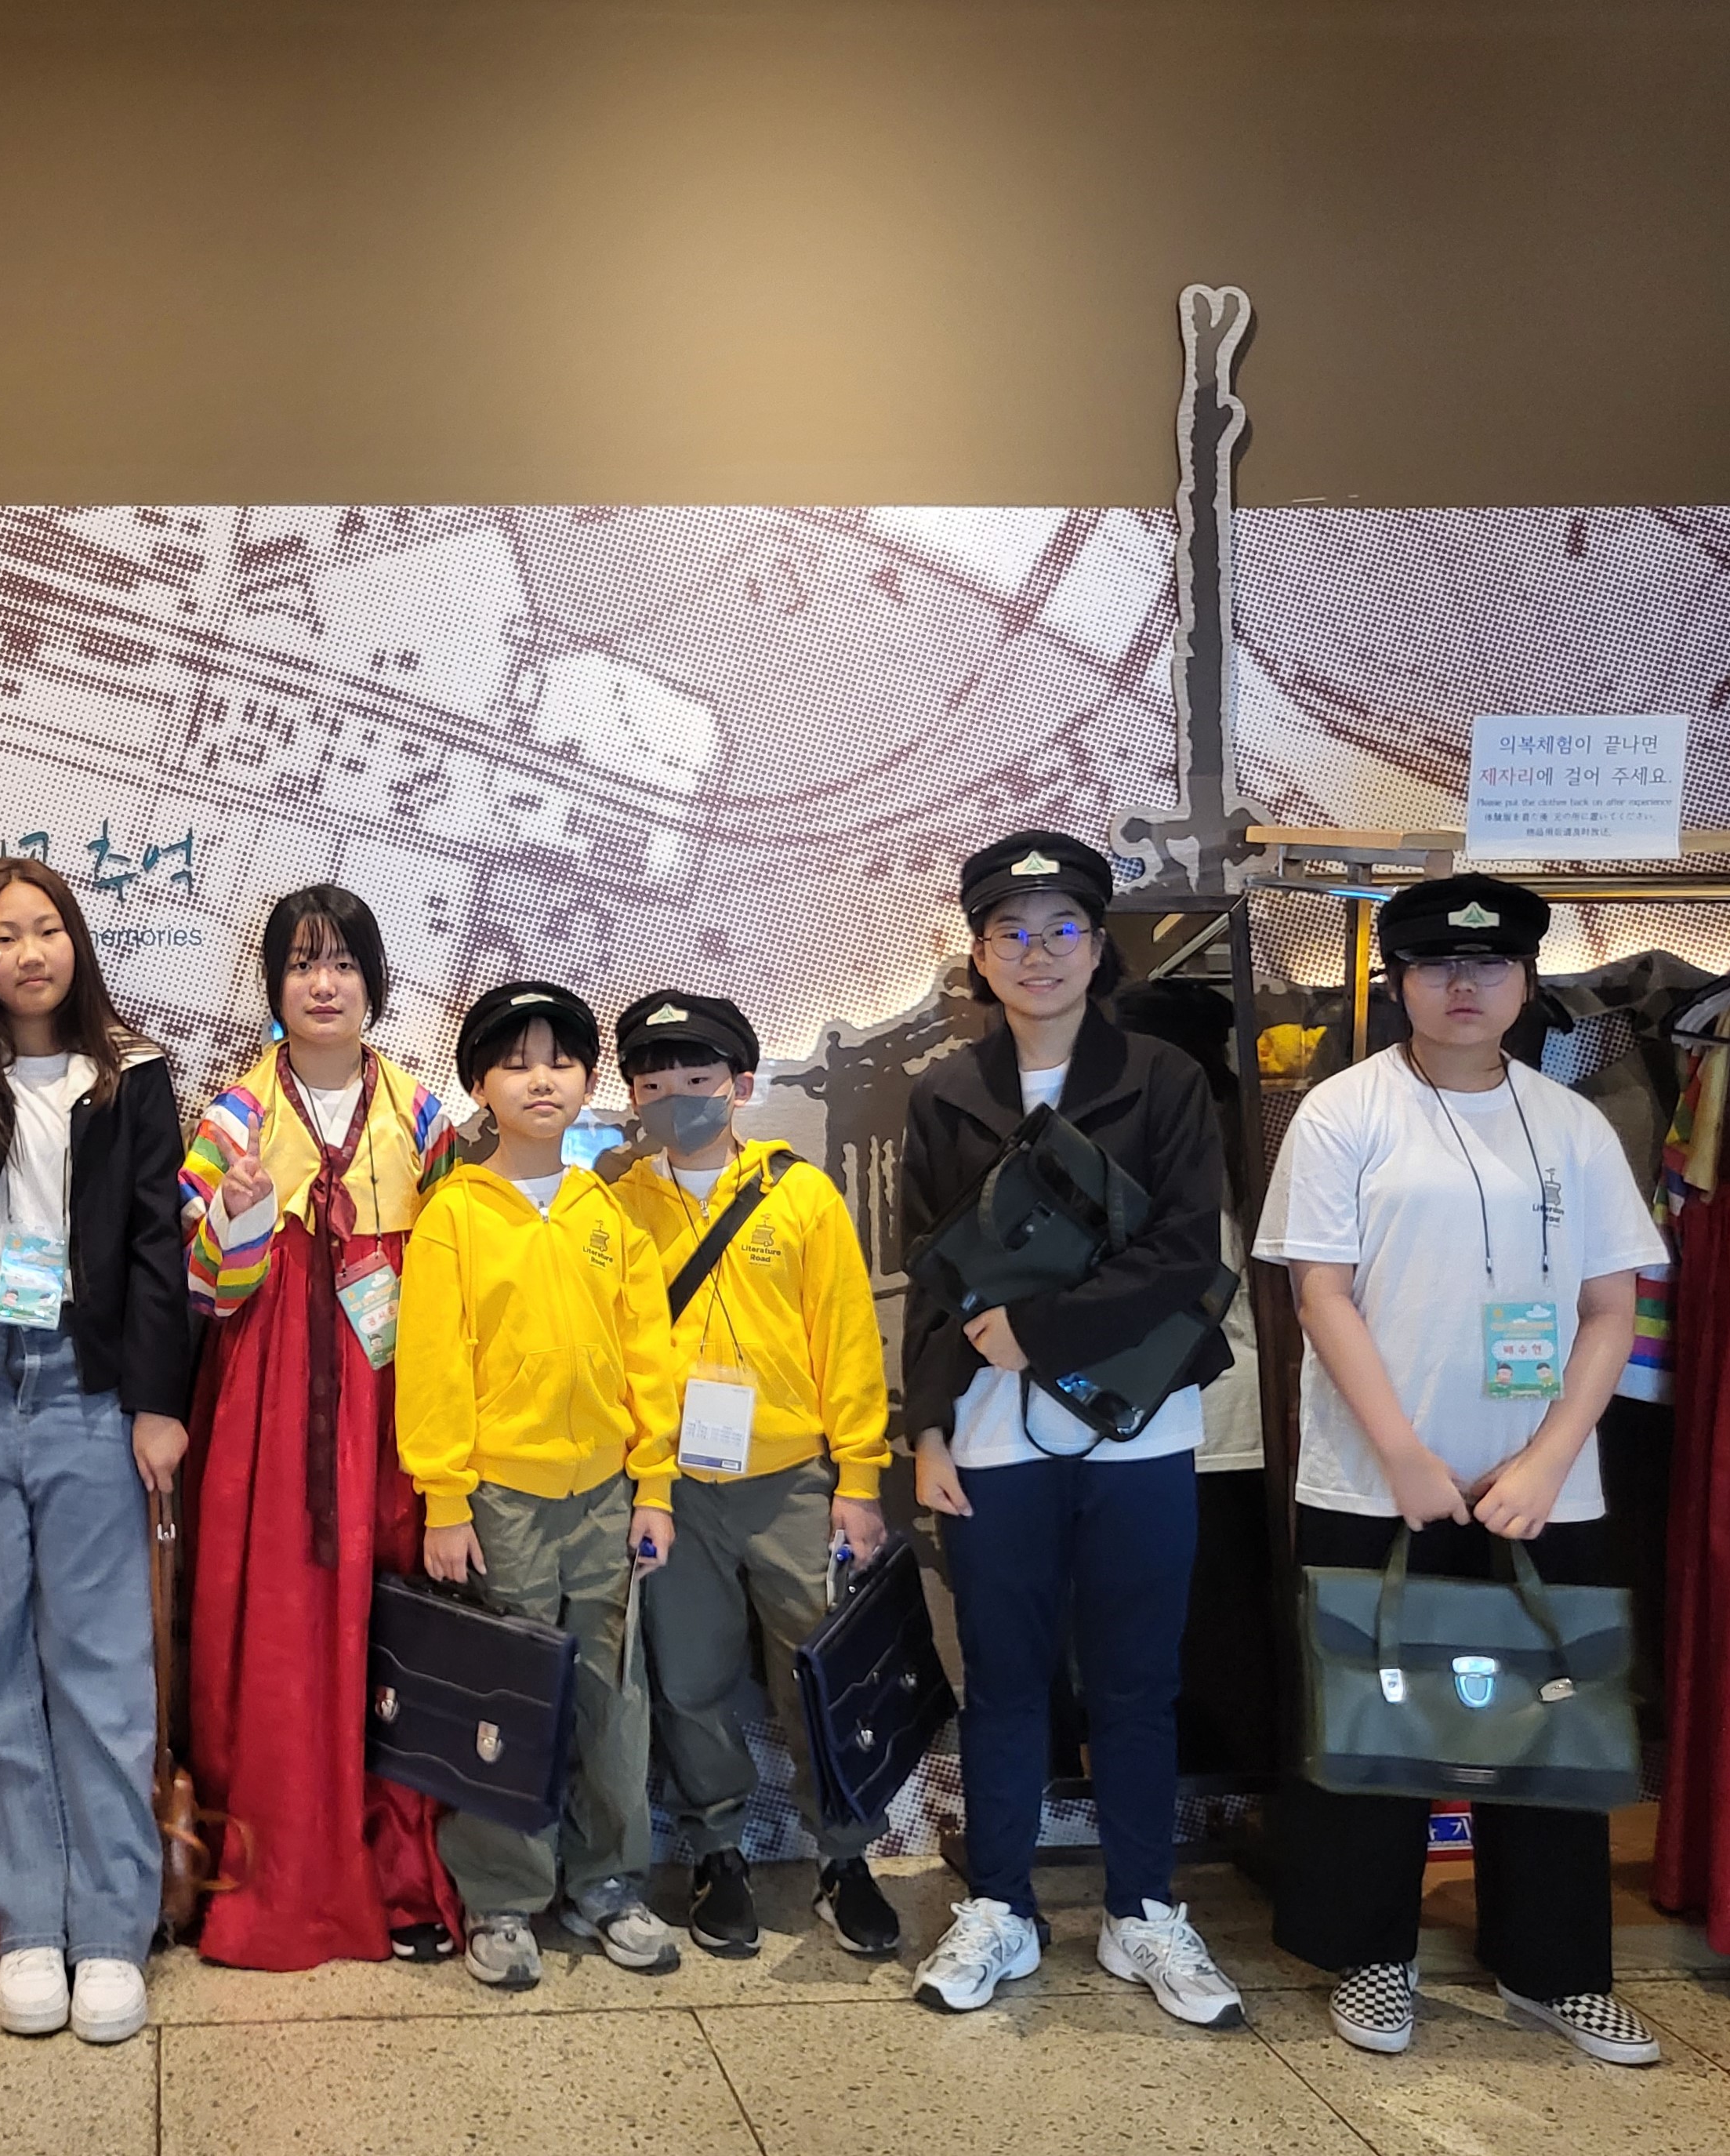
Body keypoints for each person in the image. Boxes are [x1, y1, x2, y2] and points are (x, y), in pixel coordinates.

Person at [1258, 874, 1668, 2065]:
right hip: (1374, 1477)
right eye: (1436, 964)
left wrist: (1547, 1459)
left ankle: (1554, 1970)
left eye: (1488, 964)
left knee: (1548, 1727)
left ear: (1524, 980)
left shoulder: (1572, 1123)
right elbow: (1318, 1293)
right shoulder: (1343, 1112)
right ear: (1398, 982)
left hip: (1542, 1488)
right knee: (1372, 1721)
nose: (1463, 984)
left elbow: (1608, 1308)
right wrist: (1401, 1453)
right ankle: (1369, 1955)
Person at [900, 832, 1246, 2027]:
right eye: (1011, 931)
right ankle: (999, 1903)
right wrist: (927, 1425)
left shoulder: (1161, 1078)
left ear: (1099, 947)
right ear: (979, 951)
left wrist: (1038, 1328)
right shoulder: (946, 1091)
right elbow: (932, 1277)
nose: (1036, 952)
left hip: (1141, 1427)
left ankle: (1142, 1908)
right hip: (990, 1436)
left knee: (1138, 1680)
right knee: (1003, 1680)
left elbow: (1185, 1253)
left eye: (1061, 930)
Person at [0, 857, 192, 2045]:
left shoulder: (136, 1073)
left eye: (47, 928)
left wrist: (157, 1402)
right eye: (3, 934)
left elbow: (159, 1240)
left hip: (88, 1384)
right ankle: (27, 1921)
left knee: (101, 1661)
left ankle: (109, 1929)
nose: (28, 952)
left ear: (76, 942)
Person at [177, 885, 466, 1969]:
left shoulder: (424, 1118)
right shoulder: (231, 1118)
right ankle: (279, 1871)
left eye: (343, 961)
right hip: (268, 1402)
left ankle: (400, 1872)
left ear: (374, 982)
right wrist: (241, 1214)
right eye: (301, 963)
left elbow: (457, 1273)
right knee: (281, 1625)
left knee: (399, 1620)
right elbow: (206, 1292)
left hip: (393, 1396)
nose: (323, 983)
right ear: (272, 986)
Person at [395, 981, 682, 1990]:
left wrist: (654, 1486)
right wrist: (444, 1498)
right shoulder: (453, 1216)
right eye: (513, 1063)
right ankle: (503, 1894)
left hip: (605, 1493)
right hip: (501, 1501)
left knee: (612, 1694)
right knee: (506, 1694)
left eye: (558, 1059)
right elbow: (434, 1364)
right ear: (478, 1086)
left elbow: (648, 1357)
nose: (539, 1079)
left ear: (587, 1079)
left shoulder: (610, 1212)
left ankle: (608, 1880)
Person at [603, 989, 901, 1959]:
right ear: (631, 1097)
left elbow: (846, 1340)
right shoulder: (614, 1207)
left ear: (739, 1084)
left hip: (791, 1480)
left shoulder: (799, 1195)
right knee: (689, 1679)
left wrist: (858, 1478)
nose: (676, 1097)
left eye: (696, 1078)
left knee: (816, 1670)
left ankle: (843, 1855)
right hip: (671, 1488)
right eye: (653, 1084)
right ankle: (716, 1850)